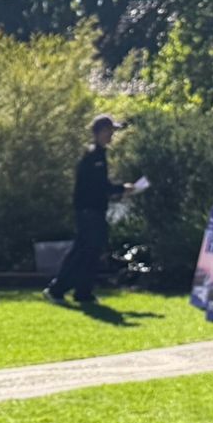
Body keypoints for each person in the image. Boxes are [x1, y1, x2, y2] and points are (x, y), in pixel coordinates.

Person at [45, 113, 141, 306]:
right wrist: (122, 189)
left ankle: (83, 292)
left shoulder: (99, 155)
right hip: (88, 211)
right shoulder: (93, 156)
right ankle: (57, 289)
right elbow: (99, 186)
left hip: (94, 210)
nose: (111, 135)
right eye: (108, 131)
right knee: (82, 251)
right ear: (98, 132)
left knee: (91, 251)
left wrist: (119, 190)